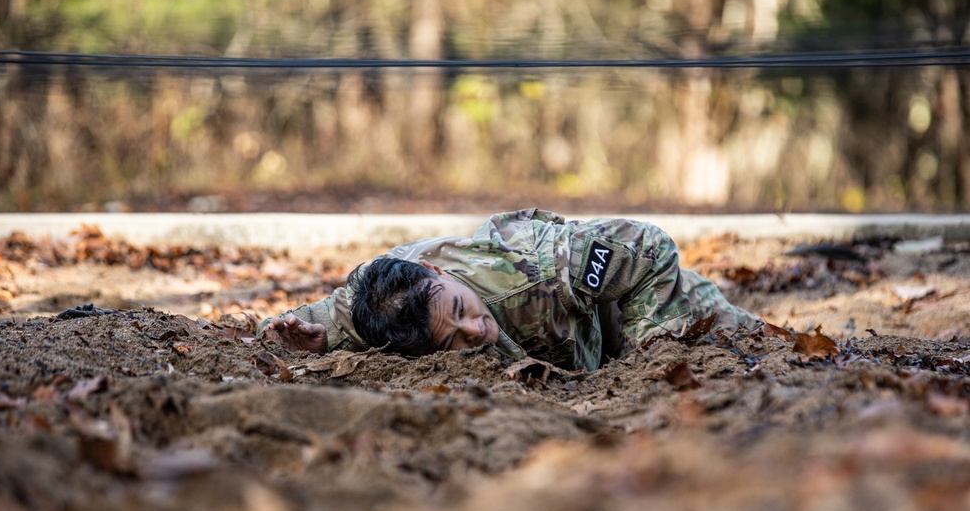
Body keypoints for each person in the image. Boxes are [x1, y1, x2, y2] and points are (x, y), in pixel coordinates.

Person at [259, 209, 760, 371]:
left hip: (649, 304)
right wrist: (315, 338)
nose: (474, 329)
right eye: (452, 339)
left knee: (751, 350)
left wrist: (653, 358)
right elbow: (319, 320)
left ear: (439, 273)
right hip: (569, 355)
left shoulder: (540, 264)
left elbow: (647, 250)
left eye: (462, 309)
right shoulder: (382, 304)